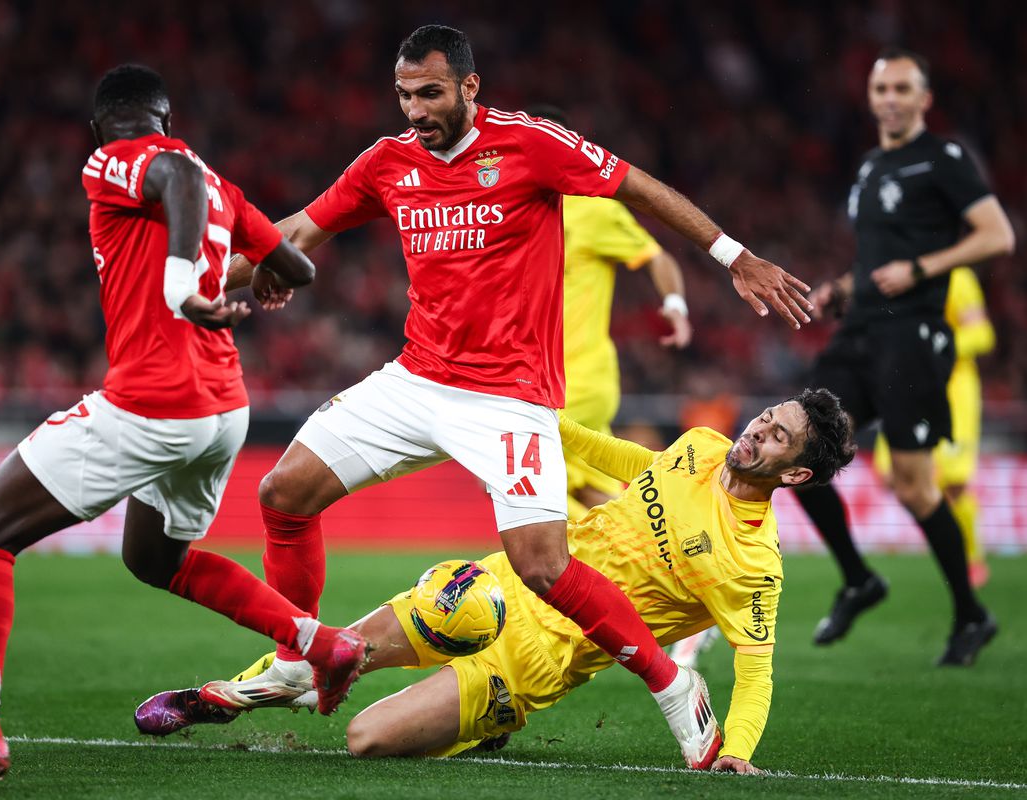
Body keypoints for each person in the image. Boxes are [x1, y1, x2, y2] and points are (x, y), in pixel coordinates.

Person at [230, 24, 813, 766]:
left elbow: (636, 185)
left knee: (542, 564)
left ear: (470, 86)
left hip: (507, 396)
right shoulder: (387, 160)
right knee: (283, 491)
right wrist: (200, 288)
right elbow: (298, 231)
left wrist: (731, 255)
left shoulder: (531, 144)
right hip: (415, 377)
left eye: (430, 93)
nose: (414, 109)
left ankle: (671, 686)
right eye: (404, 94)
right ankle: (298, 653)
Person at [0, 65, 368, 791]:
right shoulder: (222, 186)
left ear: (102, 128)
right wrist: (262, 275)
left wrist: (182, 285)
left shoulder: (120, 159)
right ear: (168, 116)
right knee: (154, 557)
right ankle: (317, 642)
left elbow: (170, 171)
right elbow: (296, 265)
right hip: (220, 410)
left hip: (155, 401)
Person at [136, 389, 856, 774]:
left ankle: (481, 726)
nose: (756, 429)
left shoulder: (751, 565)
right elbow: (632, 462)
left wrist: (736, 752)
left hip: (539, 659)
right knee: (346, 647)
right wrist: (547, 423)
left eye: (776, 436)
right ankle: (224, 696)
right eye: (766, 415)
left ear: (794, 473)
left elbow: (756, 670)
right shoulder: (698, 448)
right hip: (512, 580)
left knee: (365, 739)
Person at [797, 48, 1014, 664]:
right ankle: (859, 579)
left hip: (913, 336)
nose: (889, 98)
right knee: (799, 445)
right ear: (870, 98)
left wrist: (923, 268)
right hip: (859, 330)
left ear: (923, 100)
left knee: (916, 487)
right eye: (881, 88)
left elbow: (998, 235)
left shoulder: (942, 159)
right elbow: (876, 260)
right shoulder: (868, 168)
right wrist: (843, 287)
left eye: (901, 89)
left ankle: (970, 617)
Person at [525, 104, 693, 520]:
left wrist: (674, 305)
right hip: (540, 376)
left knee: (512, 459)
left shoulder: (593, 209)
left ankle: (562, 567)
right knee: (592, 491)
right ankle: (660, 549)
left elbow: (657, 258)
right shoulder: (515, 214)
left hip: (577, 376)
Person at [871, 266, 996, 588]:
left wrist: (936, 343)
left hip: (952, 389)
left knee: (953, 484)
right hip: (908, 386)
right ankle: (946, 542)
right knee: (892, 474)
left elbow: (982, 334)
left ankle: (970, 558)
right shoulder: (892, 272)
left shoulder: (957, 277)